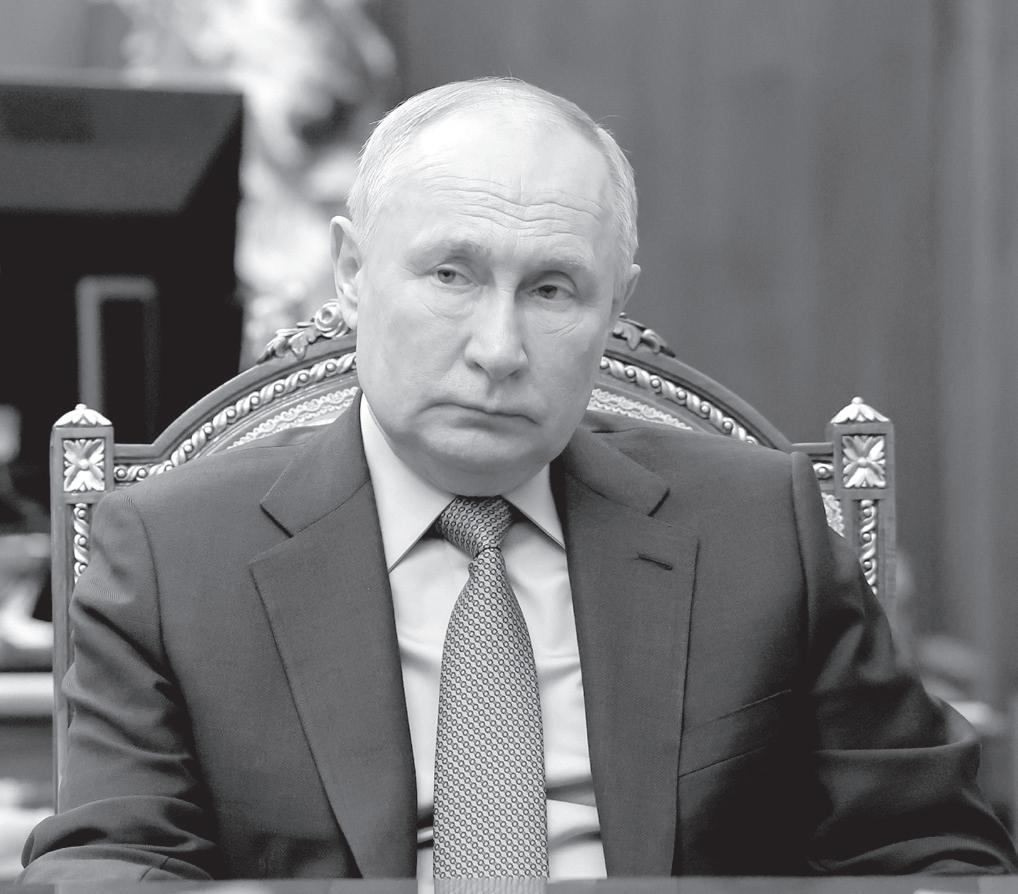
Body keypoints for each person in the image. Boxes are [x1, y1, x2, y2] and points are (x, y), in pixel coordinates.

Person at [19, 77, 1018, 882]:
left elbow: (931, 850)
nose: (498, 349)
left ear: (615, 307)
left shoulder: (760, 530)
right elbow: (112, 862)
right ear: (352, 273)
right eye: (450, 275)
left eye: (551, 289)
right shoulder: (172, 555)